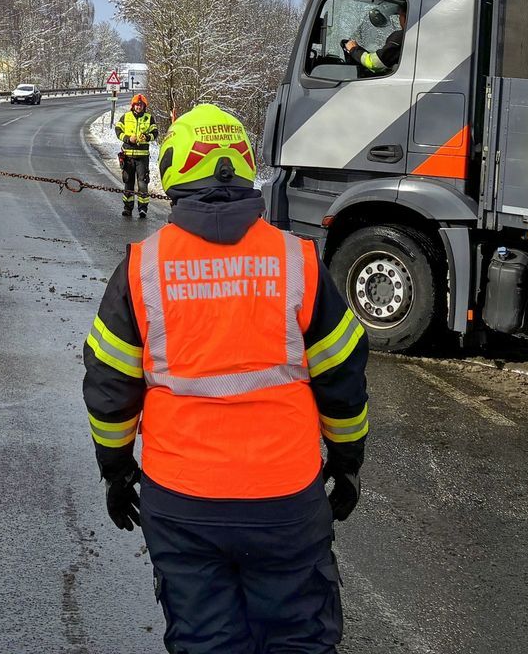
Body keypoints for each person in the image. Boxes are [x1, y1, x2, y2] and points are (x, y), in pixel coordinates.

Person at [83, 103, 371, 654]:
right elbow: (342, 373)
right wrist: (346, 459)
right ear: (244, 168)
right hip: (285, 498)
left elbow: (109, 383)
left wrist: (116, 469)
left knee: (206, 641)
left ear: (173, 170)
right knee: (299, 641)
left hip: (182, 500)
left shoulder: (143, 268)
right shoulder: (298, 262)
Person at [116, 93, 157, 218]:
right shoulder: (126, 116)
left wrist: (147, 137)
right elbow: (118, 130)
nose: (139, 107)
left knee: (143, 184)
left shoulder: (149, 118)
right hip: (128, 156)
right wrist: (128, 139)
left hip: (142, 158)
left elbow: (155, 133)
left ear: (144, 106)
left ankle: (142, 209)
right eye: (136, 105)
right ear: (133, 106)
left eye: (141, 105)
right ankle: (127, 208)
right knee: (128, 182)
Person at [342, 5, 405, 77]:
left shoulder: (401, 37)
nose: (399, 19)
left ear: (404, 17)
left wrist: (353, 50)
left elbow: (375, 63)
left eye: (400, 15)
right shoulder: (410, 38)